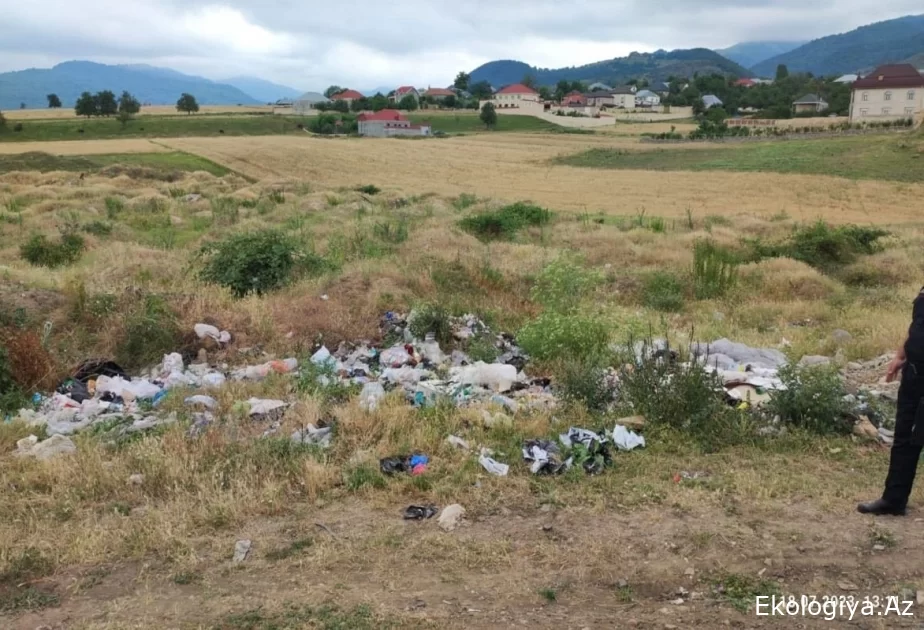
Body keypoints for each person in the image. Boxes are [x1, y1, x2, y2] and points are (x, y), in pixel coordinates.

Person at [858, 288, 924, 516]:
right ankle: (894, 500)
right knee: (904, 438)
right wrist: (900, 356)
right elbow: (916, 326)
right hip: (914, 375)